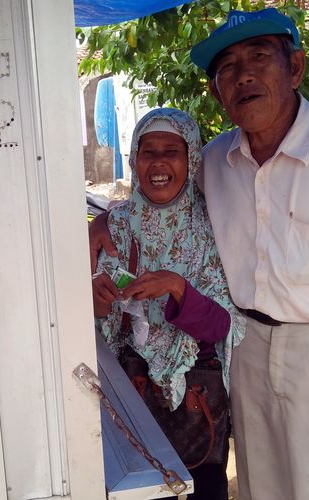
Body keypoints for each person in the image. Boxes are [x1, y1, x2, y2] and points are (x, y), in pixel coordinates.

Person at [90, 8, 309, 500]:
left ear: (294, 68)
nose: (244, 75)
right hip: (247, 351)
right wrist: (103, 223)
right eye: (227, 67)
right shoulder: (213, 161)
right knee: (264, 488)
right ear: (217, 91)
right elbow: (161, 205)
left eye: (259, 56)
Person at [92, 107, 244, 500]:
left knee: (204, 492)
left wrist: (178, 288)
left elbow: (222, 327)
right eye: (148, 152)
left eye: (171, 151)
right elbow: (99, 329)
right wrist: (97, 300)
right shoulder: (114, 226)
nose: (158, 163)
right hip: (130, 396)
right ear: (134, 160)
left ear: (191, 158)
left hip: (198, 405)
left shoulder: (215, 227)